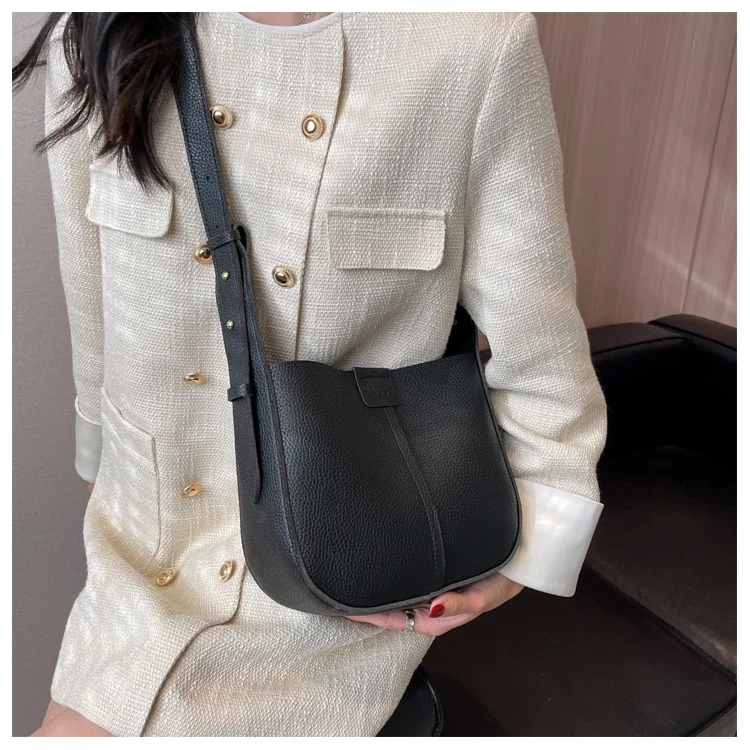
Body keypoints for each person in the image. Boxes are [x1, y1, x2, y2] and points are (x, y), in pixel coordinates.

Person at [14, 10, 608, 737]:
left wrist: (527, 554)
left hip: (337, 604)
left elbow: (542, 354)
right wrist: (103, 459)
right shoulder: (98, 28)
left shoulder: (473, 44)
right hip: (138, 566)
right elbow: (91, 299)